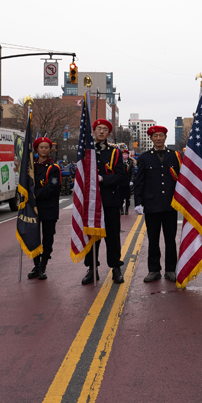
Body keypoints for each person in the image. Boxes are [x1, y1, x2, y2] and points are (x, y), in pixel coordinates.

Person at [134, 126, 181, 282]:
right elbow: (139, 181)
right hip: (151, 204)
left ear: (166, 137)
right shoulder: (145, 158)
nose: (159, 138)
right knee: (153, 239)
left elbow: (183, 180)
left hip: (170, 204)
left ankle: (170, 269)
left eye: (161, 135)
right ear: (151, 138)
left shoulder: (175, 156)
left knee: (170, 239)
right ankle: (154, 270)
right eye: (156, 136)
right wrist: (138, 202)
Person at [81, 119, 125, 285]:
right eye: (98, 128)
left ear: (108, 133)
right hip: (91, 201)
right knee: (92, 236)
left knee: (112, 236)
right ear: (93, 131)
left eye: (104, 129)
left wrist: (102, 178)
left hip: (110, 200)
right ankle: (92, 269)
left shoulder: (115, 153)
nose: (101, 131)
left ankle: (116, 268)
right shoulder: (86, 152)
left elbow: (121, 177)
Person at [28, 137, 61, 280]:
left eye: (46, 147)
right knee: (34, 238)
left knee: (47, 238)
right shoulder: (30, 166)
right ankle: (36, 265)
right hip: (33, 208)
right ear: (36, 149)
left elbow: (51, 188)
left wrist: (34, 195)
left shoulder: (54, 168)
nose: (43, 149)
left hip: (48, 207)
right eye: (41, 147)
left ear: (50, 149)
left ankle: (43, 266)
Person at [121, 149, 135, 215]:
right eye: (123, 154)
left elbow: (132, 173)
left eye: (126, 154)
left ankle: (126, 209)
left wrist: (132, 181)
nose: (125, 155)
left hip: (127, 182)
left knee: (127, 197)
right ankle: (121, 209)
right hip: (121, 182)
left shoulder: (130, 163)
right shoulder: (119, 162)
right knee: (120, 197)